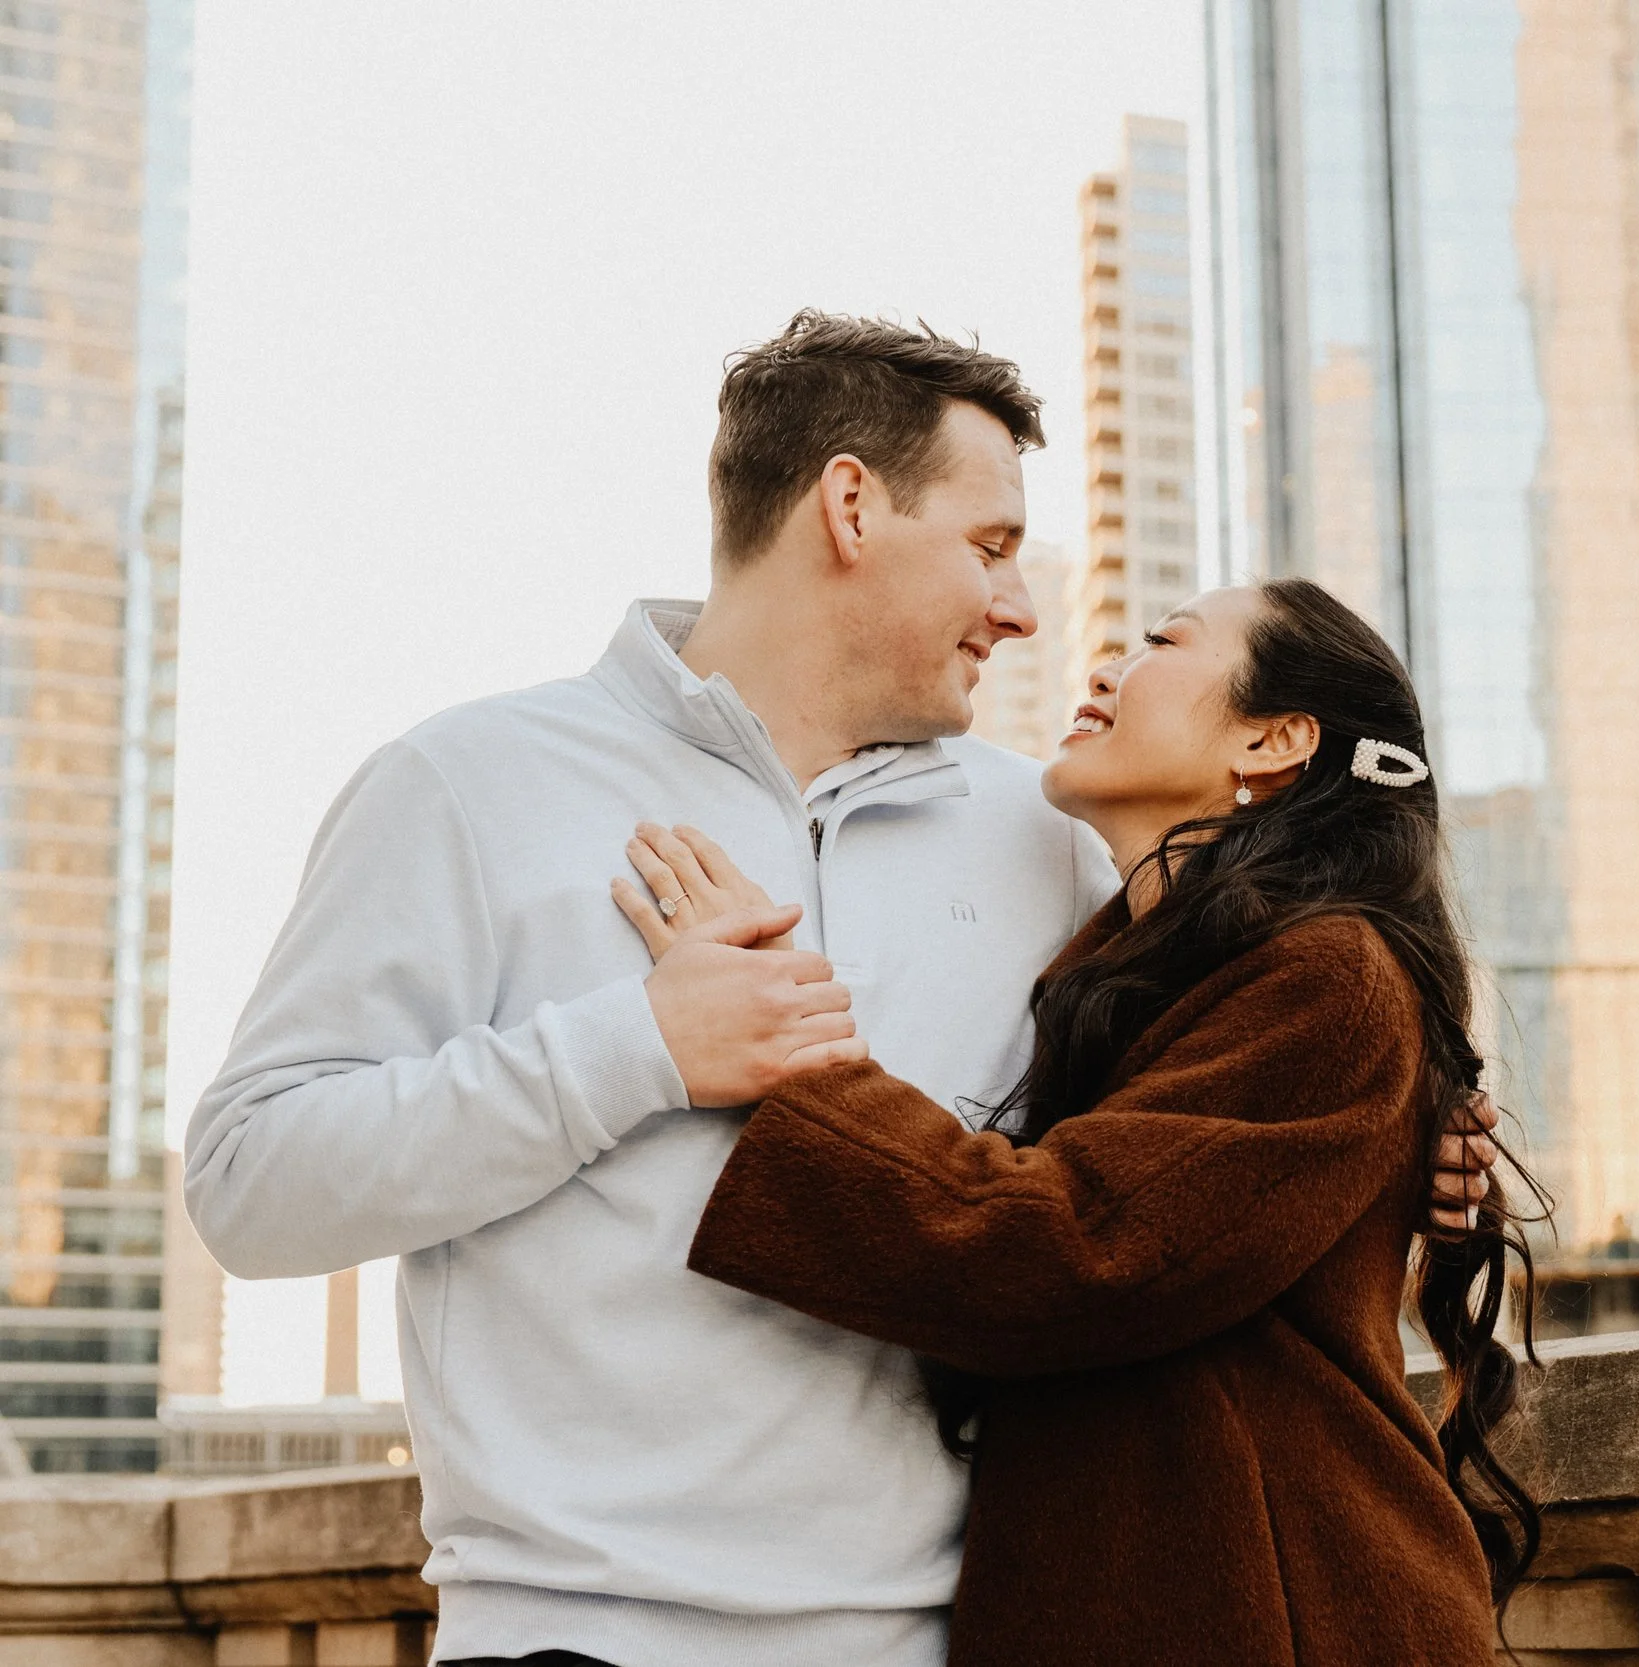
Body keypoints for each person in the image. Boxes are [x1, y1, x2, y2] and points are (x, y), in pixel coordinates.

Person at [185, 312, 1493, 1667]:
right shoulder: (468, 783)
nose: (1027, 607)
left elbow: (1174, 1144)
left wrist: (1422, 1140)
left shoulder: (1051, 837)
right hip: (569, 1635)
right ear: (851, 504)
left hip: (950, 1640)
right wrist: (636, 1045)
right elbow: (247, 1183)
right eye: (992, 546)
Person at [611, 578, 1541, 1667]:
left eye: (1162, 642)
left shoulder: (1329, 973)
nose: (1103, 665)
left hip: (1288, 1609)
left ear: (1274, 738)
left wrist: (783, 1038)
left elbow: (1069, 1244)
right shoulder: (1148, 967)